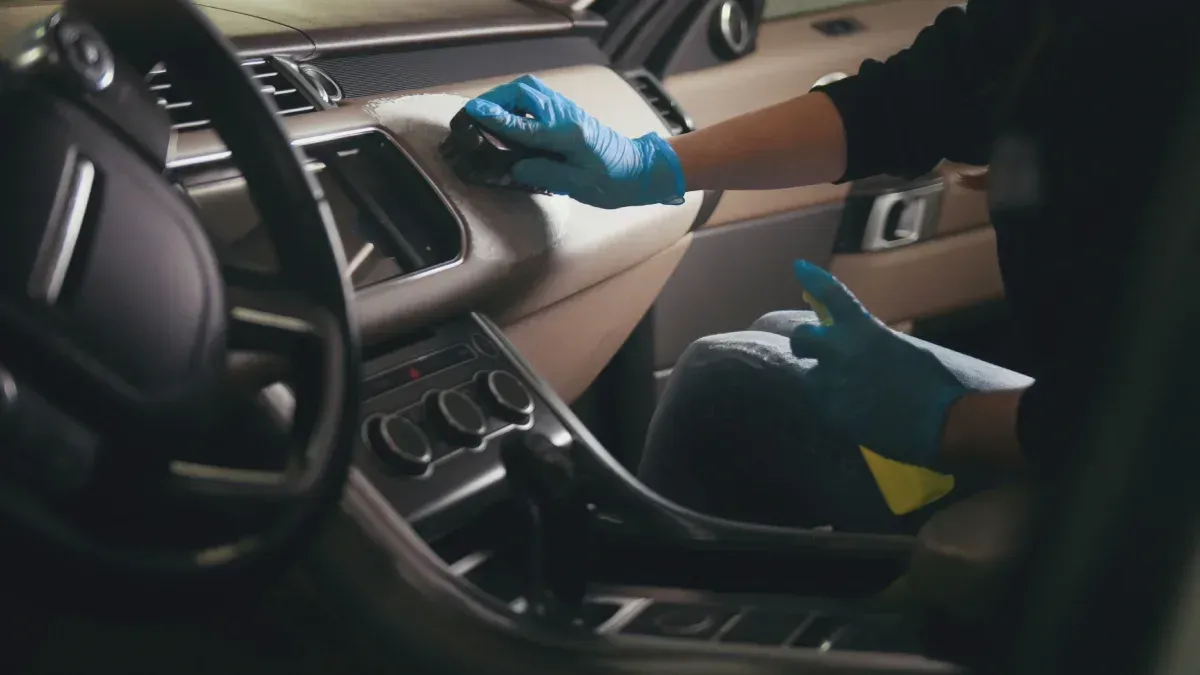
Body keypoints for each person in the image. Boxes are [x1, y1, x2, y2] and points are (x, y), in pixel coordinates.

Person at [463, 0, 1197, 532]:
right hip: (1097, 412)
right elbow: (910, 102)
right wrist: (656, 164)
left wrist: (955, 423)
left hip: (1146, 491)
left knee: (729, 386)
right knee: (777, 339)